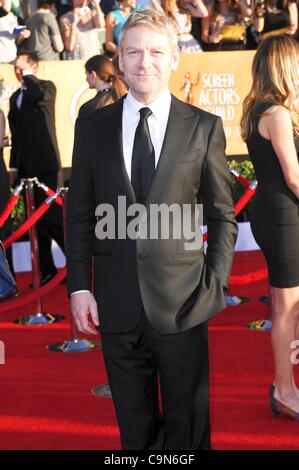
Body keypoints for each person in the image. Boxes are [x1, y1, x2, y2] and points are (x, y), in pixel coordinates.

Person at [67, 9, 237, 450]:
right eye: (134, 51)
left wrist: (214, 283)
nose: (145, 61)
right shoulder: (91, 127)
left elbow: (222, 214)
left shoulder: (203, 127)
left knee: (189, 430)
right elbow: (81, 212)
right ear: (119, 61)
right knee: (135, 432)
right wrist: (79, 287)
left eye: (156, 51)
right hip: (116, 305)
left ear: (175, 57)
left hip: (184, 303)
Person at [241, 35, 299, 420]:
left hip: (275, 213)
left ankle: (286, 386)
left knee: (286, 307)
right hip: (284, 216)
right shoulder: (276, 114)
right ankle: (285, 389)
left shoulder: (257, 110)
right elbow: (293, 175)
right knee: (287, 309)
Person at [8, 51, 65, 285]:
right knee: (36, 223)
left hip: (46, 166)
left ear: (34, 67)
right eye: (17, 68)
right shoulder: (15, 97)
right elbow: (17, 135)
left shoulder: (46, 87)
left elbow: (39, 96)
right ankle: (47, 270)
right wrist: (13, 166)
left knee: (52, 218)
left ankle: (79, 264)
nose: (19, 71)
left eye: (22, 67)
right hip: (25, 169)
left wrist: (29, 74)